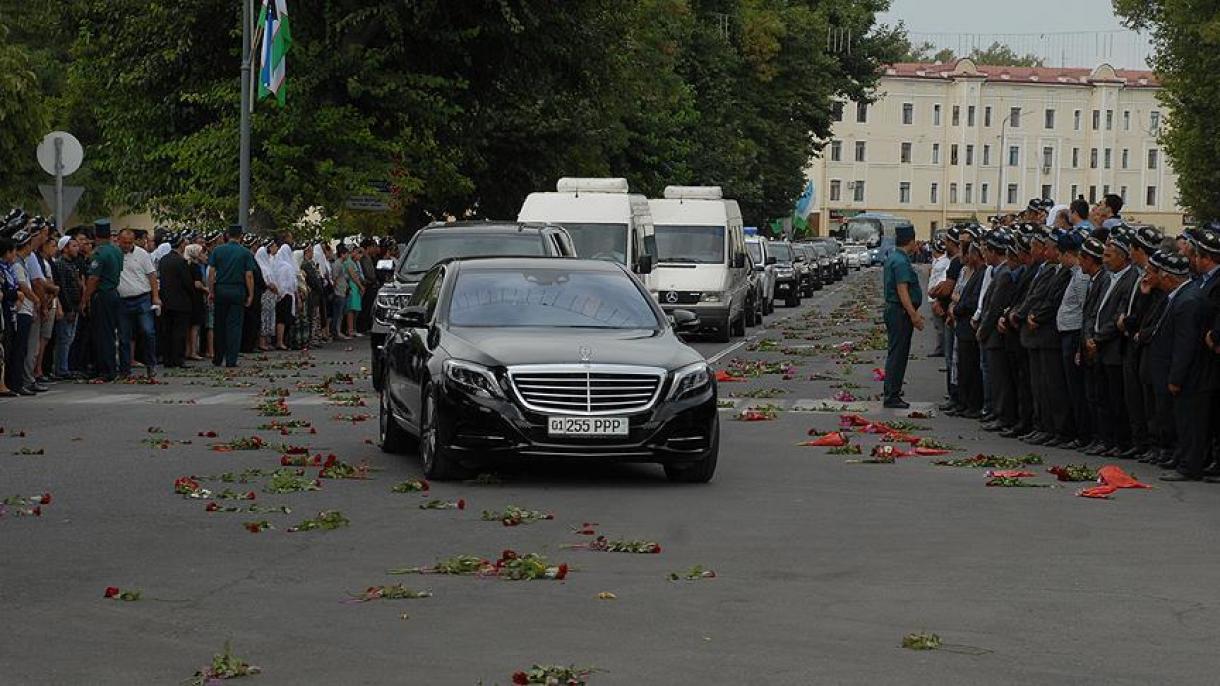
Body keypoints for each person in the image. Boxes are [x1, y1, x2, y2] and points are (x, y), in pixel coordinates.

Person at [1144, 250, 1210, 481]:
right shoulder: (1181, 296)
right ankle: (1184, 459)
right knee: (1182, 420)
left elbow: (1185, 345)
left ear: (1170, 278)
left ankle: (1190, 466)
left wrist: (1175, 377)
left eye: (1161, 276)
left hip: (1190, 376)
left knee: (1189, 421)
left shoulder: (1188, 301)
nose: (1159, 281)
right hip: (1180, 372)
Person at [1088, 232, 1139, 456]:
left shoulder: (1131, 280)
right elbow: (1093, 310)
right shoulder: (1107, 278)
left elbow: (1119, 316)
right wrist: (1089, 335)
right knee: (1101, 397)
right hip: (1097, 345)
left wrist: (1098, 337)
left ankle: (1120, 441)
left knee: (1116, 399)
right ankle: (1104, 438)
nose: (1105, 259)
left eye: (1108, 255)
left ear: (1122, 257)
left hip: (1113, 349)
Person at [881, 224, 924, 408]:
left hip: (896, 311)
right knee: (898, 354)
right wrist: (914, 315)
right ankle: (892, 395)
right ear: (912, 241)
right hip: (900, 312)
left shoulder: (894, 257)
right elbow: (902, 290)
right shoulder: (900, 261)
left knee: (895, 352)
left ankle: (892, 389)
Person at [207, 224, 255, 367]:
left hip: (221, 289)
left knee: (219, 325)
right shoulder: (245, 253)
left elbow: (211, 273)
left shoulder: (218, 251)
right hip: (237, 290)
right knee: (234, 326)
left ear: (227, 235)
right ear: (241, 236)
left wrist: (211, 291)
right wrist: (250, 294)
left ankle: (217, 357)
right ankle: (231, 359)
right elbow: (249, 275)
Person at [115, 229, 160, 378]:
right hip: (122, 300)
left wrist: (155, 297)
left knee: (148, 331)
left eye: (130, 243)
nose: (127, 245)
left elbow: (152, 275)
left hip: (142, 297)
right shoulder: (115, 254)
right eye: (124, 243)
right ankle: (125, 369)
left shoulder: (142, 254)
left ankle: (151, 365)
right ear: (119, 241)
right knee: (124, 336)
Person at [157, 234, 194, 367]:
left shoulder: (164, 260)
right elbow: (187, 282)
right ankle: (178, 358)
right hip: (181, 301)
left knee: (167, 331)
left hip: (166, 300)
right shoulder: (181, 261)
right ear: (181, 245)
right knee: (179, 331)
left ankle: (168, 358)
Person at [52, 235, 84, 378]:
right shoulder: (61, 264)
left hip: (74, 307)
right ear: (65, 248)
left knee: (69, 338)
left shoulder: (72, 264)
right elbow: (63, 288)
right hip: (67, 307)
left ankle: (65, 367)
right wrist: (68, 308)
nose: (77, 249)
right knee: (64, 339)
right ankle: (61, 369)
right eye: (73, 246)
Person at [184, 243, 209, 361]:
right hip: (197, 298)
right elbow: (197, 284)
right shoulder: (195, 267)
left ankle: (188, 350)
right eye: (201, 253)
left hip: (190, 298)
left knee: (190, 326)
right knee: (195, 326)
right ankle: (193, 351)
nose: (204, 255)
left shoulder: (187, 265)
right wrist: (206, 289)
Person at [273, 239, 298, 350]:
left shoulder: (277, 264)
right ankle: (280, 341)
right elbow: (288, 283)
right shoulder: (286, 267)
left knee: (282, 319)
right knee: (282, 319)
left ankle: (282, 340)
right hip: (286, 294)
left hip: (281, 295)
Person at [926, 240, 949, 357]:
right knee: (937, 324)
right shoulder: (938, 262)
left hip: (936, 297)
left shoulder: (943, 263)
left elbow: (941, 281)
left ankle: (941, 348)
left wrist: (936, 299)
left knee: (940, 325)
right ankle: (941, 347)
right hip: (933, 296)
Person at [331, 244, 351, 339]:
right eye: (347, 254)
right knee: (338, 314)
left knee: (341, 313)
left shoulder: (342, 264)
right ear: (342, 254)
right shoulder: (337, 264)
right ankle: (336, 332)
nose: (348, 256)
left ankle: (338, 331)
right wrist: (334, 290)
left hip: (343, 291)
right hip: (338, 292)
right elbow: (334, 278)